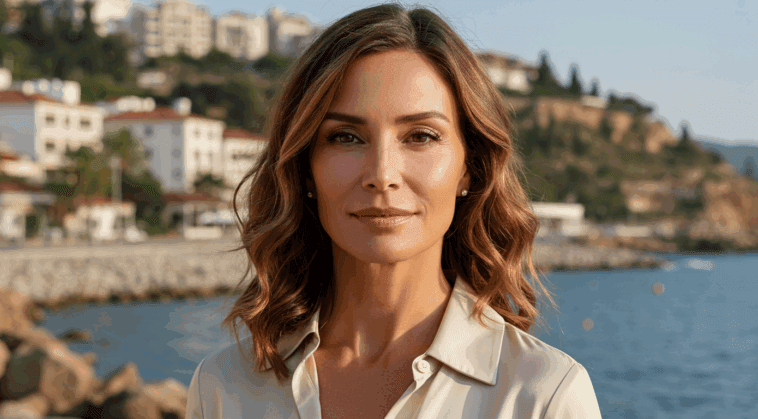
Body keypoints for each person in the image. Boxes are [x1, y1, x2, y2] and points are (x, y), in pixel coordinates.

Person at [185, 3, 602, 418]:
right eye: (346, 137)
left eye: (420, 136)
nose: (382, 174)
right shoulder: (223, 387)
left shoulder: (543, 395)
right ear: (305, 169)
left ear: (469, 168)